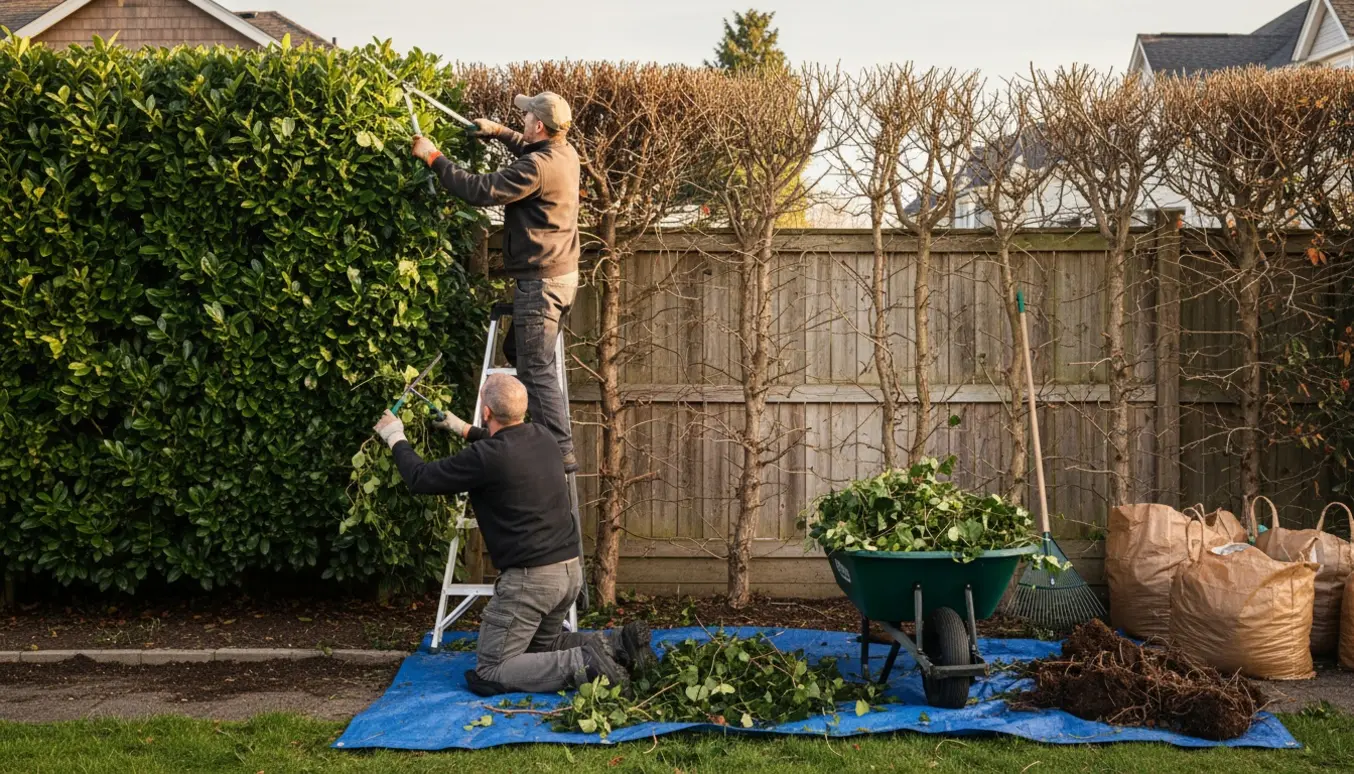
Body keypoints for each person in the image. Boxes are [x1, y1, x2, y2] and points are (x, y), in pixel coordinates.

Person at [372, 374, 652, 696]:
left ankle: (588, 663)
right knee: (543, 646)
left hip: (532, 583)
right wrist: (461, 428)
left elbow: (421, 478)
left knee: (492, 670)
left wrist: (395, 436)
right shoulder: (544, 436)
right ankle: (621, 644)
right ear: (523, 408)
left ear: (486, 410)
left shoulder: (484, 458)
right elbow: (505, 445)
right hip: (569, 573)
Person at [410, 92, 580, 473]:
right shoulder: (564, 154)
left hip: (542, 283)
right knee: (520, 353)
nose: (522, 120)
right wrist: (499, 132)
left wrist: (433, 157)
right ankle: (542, 435)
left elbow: (479, 190)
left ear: (539, 125)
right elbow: (530, 150)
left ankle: (559, 452)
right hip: (561, 276)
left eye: (525, 117)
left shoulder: (536, 167)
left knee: (535, 371)